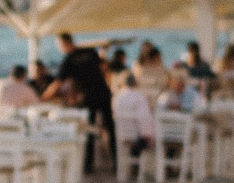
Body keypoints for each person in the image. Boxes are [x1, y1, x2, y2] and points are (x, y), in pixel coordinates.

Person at [45, 32, 115, 174]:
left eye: (59, 45)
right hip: (103, 93)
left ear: (64, 44)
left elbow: (58, 83)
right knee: (110, 128)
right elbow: (104, 68)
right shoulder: (89, 51)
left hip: (88, 96)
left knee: (89, 130)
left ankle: (87, 166)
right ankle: (116, 163)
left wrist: (43, 97)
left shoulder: (68, 60)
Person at [111, 74, 155, 166]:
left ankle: (131, 166)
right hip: (136, 136)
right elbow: (145, 119)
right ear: (135, 84)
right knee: (153, 136)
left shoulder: (117, 97)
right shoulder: (139, 97)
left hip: (121, 134)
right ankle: (141, 168)